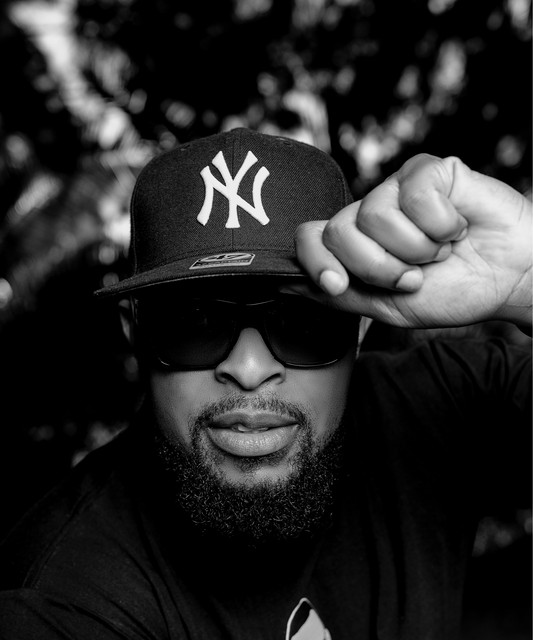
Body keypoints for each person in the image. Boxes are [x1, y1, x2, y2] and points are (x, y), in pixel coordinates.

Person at [0, 127, 530, 639]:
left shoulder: (441, 405)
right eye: (194, 322)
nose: (250, 369)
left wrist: (527, 282)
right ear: (134, 332)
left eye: (301, 321)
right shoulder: (66, 597)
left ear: (360, 328)